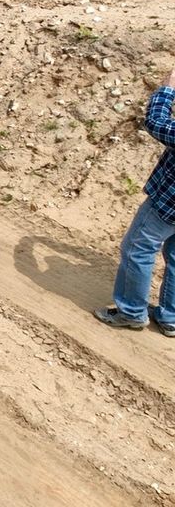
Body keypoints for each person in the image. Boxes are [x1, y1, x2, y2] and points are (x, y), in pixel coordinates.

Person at [95, 68, 175, 335]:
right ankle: (170, 317)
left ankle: (131, 312)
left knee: (137, 249)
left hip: (168, 203)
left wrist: (168, 88)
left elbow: (156, 122)